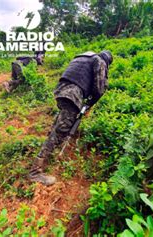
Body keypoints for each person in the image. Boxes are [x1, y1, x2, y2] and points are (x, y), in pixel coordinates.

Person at [28, 50, 113, 186]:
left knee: (59, 124)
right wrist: (89, 105)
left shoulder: (85, 56)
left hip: (61, 90)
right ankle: (35, 172)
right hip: (73, 94)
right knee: (61, 130)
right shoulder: (100, 61)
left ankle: (49, 151)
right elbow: (99, 88)